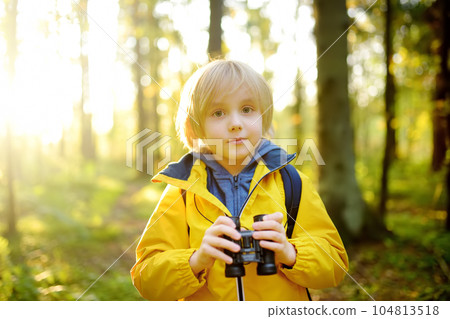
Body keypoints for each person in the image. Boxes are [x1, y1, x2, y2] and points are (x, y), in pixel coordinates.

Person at [130, 60, 349, 301]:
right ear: (196, 126)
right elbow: (147, 280)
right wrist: (197, 260)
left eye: (247, 109)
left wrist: (290, 253)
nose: (236, 123)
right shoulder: (183, 192)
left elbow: (335, 266)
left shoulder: (291, 182)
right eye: (218, 113)